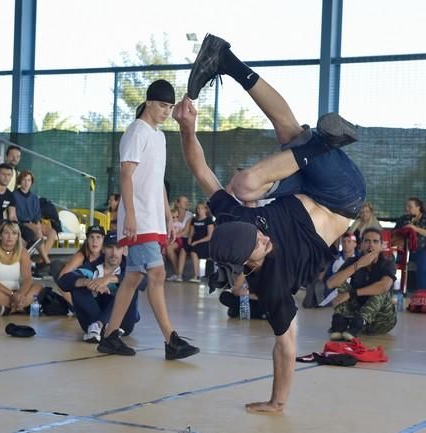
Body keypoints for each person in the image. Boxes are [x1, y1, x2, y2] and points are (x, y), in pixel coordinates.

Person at [178, 34, 364, 412]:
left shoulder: (235, 220)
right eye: (260, 242)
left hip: (303, 184)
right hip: (343, 197)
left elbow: (200, 169)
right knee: (291, 141)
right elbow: (286, 344)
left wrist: (187, 127)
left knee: (245, 184)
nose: (263, 234)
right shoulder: (274, 284)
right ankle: (322, 143)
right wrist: (277, 402)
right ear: (251, 263)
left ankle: (226, 60)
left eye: (257, 230)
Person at [97, 79, 199, 360]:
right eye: (163, 106)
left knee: (132, 277)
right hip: (138, 218)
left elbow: (156, 185)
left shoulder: (159, 136)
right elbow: (126, 176)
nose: (167, 112)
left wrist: (168, 217)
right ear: (150, 103)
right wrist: (129, 214)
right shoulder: (136, 132)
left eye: (170, 107)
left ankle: (109, 336)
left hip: (153, 218)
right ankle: (171, 340)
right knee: (157, 273)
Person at [58, 232, 142, 342]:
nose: (113, 253)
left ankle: (99, 324)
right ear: (102, 249)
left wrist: (109, 279)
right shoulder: (92, 267)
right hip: (91, 321)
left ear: (124, 250)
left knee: (130, 287)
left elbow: (145, 281)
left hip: (122, 323)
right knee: (77, 286)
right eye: (109, 248)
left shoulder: (130, 269)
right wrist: (88, 283)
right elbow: (63, 281)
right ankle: (99, 326)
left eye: (118, 248)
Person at [325, 228, 397, 340]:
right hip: (356, 313)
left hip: (381, 321)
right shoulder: (354, 261)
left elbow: (384, 286)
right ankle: (339, 324)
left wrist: (352, 293)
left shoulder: (388, 262)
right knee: (341, 281)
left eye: (375, 241)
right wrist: (358, 265)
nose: (371, 245)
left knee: (381, 290)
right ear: (361, 245)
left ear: (381, 246)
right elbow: (331, 283)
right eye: (367, 241)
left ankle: (358, 323)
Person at [0, 221, 42, 315]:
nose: (10, 236)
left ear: (17, 237)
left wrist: (19, 294)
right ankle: (20, 307)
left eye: (14, 233)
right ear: (0, 236)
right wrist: (12, 295)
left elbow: (27, 279)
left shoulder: (23, 252)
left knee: (38, 287)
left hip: (16, 293)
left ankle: (10, 308)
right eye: (6, 233)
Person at [13, 170, 58, 270]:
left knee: (52, 232)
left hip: (34, 222)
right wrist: (35, 226)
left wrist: (37, 224)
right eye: (24, 180)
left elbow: (37, 214)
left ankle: (41, 261)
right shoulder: (14, 195)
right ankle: (46, 261)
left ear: (31, 182)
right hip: (22, 223)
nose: (26, 182)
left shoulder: (34, 197)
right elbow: (17, 215)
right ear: (20, 181)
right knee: (37, 232)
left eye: (29, 180)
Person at [394, 197, 426, 290]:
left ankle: (422, 293)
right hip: (405, 249)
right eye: (406, 206)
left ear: (418, 207)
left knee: (425, 263)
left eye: (410, 206)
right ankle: (389, 290)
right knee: (389, 259)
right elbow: (395, 234)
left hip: (424, 249)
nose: (407, 208)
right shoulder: (403, 219)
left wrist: (415, 228)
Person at [185, 201, 214, 283]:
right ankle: (191, 275)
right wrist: (189, 239)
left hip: (205, 243)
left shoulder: (209, 220)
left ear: (205, 210)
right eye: (198, 208)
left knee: (194, 251)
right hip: (195, 242)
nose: (199, 210)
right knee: (188, 249)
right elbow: (191, 233)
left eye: (201, 208)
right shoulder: (194, 220)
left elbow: (209, 236)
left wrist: (196, 242)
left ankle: (196, 275)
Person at [166, 196, 193, 281]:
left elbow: (185, 232)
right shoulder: (172, 213)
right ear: (178, 204)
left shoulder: (189, 215)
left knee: (170, 247)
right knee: (168, 248)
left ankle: (177, 274)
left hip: (183, 239)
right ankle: (177, 273)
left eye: (187, 202)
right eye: (184, 202)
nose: (187, 204)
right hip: (173, 238)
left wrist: (173, 237)